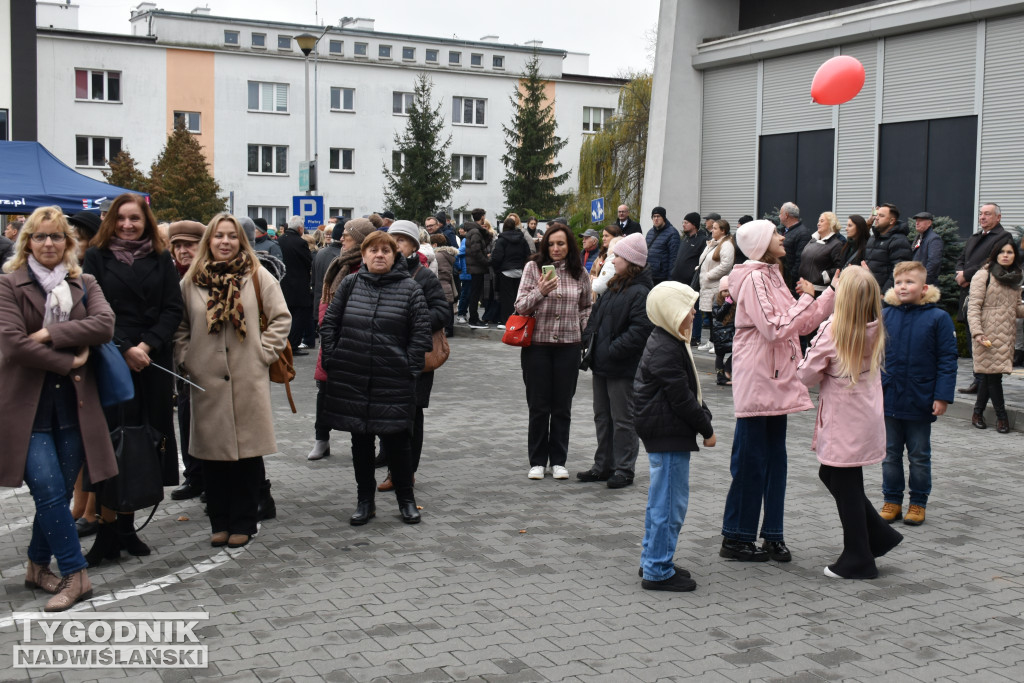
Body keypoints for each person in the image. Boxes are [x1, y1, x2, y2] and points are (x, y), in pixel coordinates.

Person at [0, 206, 118, 611]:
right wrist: (69, 360)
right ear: (27, 242)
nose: (48, 243)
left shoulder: (84, 282)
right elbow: (14, 344)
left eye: (56, 237)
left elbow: (104, 325)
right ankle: (75, 573)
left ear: (68, 243)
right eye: (39, 236)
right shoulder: (8, 285)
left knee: (61, 491)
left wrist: (51, 331)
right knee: (50, 492)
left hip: (74, 408)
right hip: (25, 409)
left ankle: (36, 566)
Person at [720, 220, 836, 563]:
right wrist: (805, 297)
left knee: (775, 463)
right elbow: (774, 328)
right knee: (750, 462)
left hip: (776, 381)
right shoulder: (755, 277)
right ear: (759, 242)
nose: (782, 237)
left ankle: (773, 535)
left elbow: (798, 323)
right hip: (758, 380)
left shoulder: (771, 274)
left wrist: (830, 294)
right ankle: (737, 537)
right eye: (775, 233)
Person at [174, 214, 291, 549]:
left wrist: (263, 352)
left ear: (242, 240)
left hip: (246, 378)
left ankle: (244, 520)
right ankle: (220, 521)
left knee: (247, 457)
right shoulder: (192, 281)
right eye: (218, 236)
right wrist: (186, 359)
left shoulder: (257, 276)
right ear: (208, 241)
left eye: (232, 236)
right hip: (206, 380)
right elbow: (179, 327)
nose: (225, 242)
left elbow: (281, 318)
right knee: (212, 459)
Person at [83, 193, 183, 567]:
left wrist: (148, 345)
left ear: (147, 222)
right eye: (122, 218)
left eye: (135, 219)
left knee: (144, 441)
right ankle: (107, 528)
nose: (128, 225)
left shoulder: (160, 258)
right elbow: (93, 308)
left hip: (152, 363)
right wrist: (125, 347)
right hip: (111, 360)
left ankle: (127, 526)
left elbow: (174, 307)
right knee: (110, 443)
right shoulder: (96, 257)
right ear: (112, 221)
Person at [797, 266, 904, 580]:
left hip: (844, 419)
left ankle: (859, 556)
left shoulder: (834, 329)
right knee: (834, 475)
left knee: (843, 481)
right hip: (865, 415)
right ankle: (879, 536)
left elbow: (806, 374)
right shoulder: (875, 325)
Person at [320, 231, 431, 525]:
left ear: (395, 255)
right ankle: (364, 501)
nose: (379, 254)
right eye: (373, 250)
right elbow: (329, 323)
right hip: (353, 377)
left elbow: (420, 335)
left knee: (398, 442)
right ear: (364, 254)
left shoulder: (410, 288)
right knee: (361, 441)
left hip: (393, 379)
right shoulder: (350, 283)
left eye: (386, 250)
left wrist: (409, 369)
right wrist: (332, 358)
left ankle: (406, 501)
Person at [634, 281, 716, 592]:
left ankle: (654, 559)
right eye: (687, 307)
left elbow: (688, 391)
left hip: (666, 430)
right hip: (668, 432)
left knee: (662, 502)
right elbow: (682, 398)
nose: (694, 312)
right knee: (669, 503)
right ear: (671, 312)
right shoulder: (666, 346)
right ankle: (657, 569)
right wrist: (706, 429)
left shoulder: (668, 339)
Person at [878, 261, 958, 527]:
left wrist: (942, 396)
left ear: (923, 288)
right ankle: (891, 501)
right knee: (889, 454)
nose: (903, 287)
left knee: (919, 456)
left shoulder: (938, 318)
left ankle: (918, 503)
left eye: (909, 282)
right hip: (889, 398)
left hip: (920, 399)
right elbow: (875, 355)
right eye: (899, 282)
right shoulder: (886, 315)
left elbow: (947, 359)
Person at [373, 221, 451, 492]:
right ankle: (394, 467)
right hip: (384, 357)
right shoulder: (376, 273)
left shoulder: (423, 276)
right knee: (387, 414)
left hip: (416, 358)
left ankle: (405, 473)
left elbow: (443, 313)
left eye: (401, 240)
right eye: (391, 239)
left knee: (411, 417)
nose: (395, 244)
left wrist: (410, 320)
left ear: (413, 247)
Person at [514, 219, 592, 480]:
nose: (556, 248)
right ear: (544, 245)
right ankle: (537, 460)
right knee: (538, 405)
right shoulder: (533, 268)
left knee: (562, 406)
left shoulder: (579, 272)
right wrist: (540, 291)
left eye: (561, 244)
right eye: (551, 244)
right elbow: (521, 306)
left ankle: (558, 460)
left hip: (569, 347)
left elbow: (585, 306)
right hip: (537, 346)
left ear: (570, 245)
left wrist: (583, 332)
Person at [579, 233, 653, 488]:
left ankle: (623, 469)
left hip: (621, 366)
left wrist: (611, 350)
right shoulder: (614, 285)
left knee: (623, 419)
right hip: (601, 363)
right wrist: (589, 341)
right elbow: (594, 318)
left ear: (630, 260)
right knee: (602, 416)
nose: (613, 258)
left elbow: (640, 331)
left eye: (618, 255)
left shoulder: (641, 292)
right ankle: (603, 465)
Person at [308, 218, 376, 461]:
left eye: (347, 235)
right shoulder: (338, 264)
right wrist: (325, 326)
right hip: (332, 336)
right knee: (324, 391)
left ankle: (363, 443)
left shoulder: (368, 265)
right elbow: (324, 298)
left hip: (358, 340)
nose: (341, 239)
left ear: (358, 238)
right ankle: (321, 439)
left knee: (360, 395)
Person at [167, 220, 207, 503]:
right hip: (183, 364)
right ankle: (194, 477)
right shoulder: (170, 275)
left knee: (212, 425)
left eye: (189, 245)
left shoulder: (207, 275)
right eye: (178, 245)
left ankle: (213, 479)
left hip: (212, 363)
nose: (183, 251)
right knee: (186, 417)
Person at [956, 203, 1013, 395]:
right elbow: (961, 258)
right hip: (968, 293)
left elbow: (991, 260)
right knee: (972, 335)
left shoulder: (1003, 237)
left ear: (998, 217)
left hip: (987, 294)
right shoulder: (974, 237)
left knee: (984, 338)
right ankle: (977, 380)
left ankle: (985, 382)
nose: (982, 217)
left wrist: (967, 275)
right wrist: (959, 272)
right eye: (981, 214)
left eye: (987, 214)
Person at [968, 242, 1024, 434]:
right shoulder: (983, 275)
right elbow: (974, 307)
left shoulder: (1015, 278)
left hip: (1006, 333)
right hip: (987, 332)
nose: (1006, 255)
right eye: (1002, 251)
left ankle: (977, 413)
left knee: (990, 375)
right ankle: (1002, 418)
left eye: (1010, 252)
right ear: (995, 254)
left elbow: (1017, 308)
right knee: (994, 377)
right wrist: (977, 332)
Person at [695, 219, 735, 353]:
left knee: (717, 315)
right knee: (709, 314)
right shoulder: (713, 244)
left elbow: (726, 265)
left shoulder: (727, 245)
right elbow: (705, 260)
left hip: (716, 285)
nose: (712, 230)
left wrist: (709, 275)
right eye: (712, 228)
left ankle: (718, 342)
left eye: (716, 228)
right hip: (707, 285)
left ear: (723, 231)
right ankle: (712, 340)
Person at [668, 212, 708, 342]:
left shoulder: (702, 240)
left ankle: (695, 337)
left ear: (694, 224)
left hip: (691, 282)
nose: (683, 225)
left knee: (693, 309)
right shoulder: (685, 239)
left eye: (686, 222)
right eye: (683, 222)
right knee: (679, 309)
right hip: (678, 279)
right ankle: (680, 332)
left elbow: (702, 261)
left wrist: (693, 276)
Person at [277, 216, 313, 354]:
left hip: (283, 284)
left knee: (286, 314)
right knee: (299, 316)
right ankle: (293, 344)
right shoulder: (300, 242)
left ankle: (284, 343)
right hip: (299, 285)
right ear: (300, 228)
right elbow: (308, 261)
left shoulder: (279, 241)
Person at [490, 216, 532, 326]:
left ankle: (507, 322)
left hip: (505, 272)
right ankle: (518, 320)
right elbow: (528, 254)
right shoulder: (522, 239)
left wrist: (497, 269)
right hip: (519, 271)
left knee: (506, 298)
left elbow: (497, 257)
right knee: (518, 297)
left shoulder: (501, 240)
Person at [863, 203, 911, 292]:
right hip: (869, 292)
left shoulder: (899, 241)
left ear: (892, 221)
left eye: (881, 216)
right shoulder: (873, 238)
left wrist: (884, 293)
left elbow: (899, 271)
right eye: (876, 214)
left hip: (883, 296)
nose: (876, 218)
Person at [799, 212, 845, 294]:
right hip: (804, 288)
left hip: (820, 291)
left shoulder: (837, 244)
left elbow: (839, 268)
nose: (818, 224)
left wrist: (824, 276)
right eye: (818, 221)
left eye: (822, 221)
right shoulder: (812, 240)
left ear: (831, 223)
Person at [463, 217, 492, 329]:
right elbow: (476, 250)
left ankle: (474, 318)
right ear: (483, 217)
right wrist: (486, 262)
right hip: (477, 267)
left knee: (474, 293)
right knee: (475, 294)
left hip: (475, 267)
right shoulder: (475, 232)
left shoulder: (473, 231)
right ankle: (473, 319)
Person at [778, 202, 811, 295]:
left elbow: (800, 260)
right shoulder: (784, 231)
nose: (779, 216)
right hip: (782, 279)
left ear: (786, 215)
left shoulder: (802, 233)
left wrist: (790, 280)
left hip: (792, 285)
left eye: (780, 213)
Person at [430, 233, 458, 336]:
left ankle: (447, 329)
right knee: (449, 306)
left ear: (435, 244)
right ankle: (449, 328)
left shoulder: (437, 255)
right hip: (447, 283)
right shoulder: (448, 254)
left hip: (441, 283)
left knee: (444, 307)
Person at [645, 207, 680, 286]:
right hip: (649, 274)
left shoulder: (672, 233)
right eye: (654, 216)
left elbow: (673, 258)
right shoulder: (650, 232)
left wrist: (670, 280)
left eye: (658, 216)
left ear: (663, 218)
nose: (656, 219)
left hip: (661, 277)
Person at [711, 277, 735, 386]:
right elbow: (718, 315)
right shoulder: (717, 300)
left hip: (731, 331)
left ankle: (727, 368)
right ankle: (720, 378)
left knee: (737, 351)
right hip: (719, 333)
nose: (727, 294)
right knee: (720, 355)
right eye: (725, 291)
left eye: (729, 291)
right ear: (720, 291)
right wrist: (727, 304)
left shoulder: (734, 300)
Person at [910, 211, 943, 286]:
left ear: (929, 223)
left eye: (920, 221)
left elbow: (934, 262)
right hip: (916, 281)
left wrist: (924, 281)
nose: (917, 223)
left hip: (925, 284)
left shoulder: (934, 239)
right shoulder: (918, 237)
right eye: (916, 221)